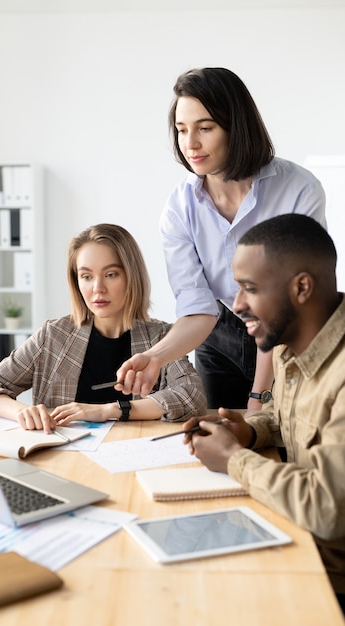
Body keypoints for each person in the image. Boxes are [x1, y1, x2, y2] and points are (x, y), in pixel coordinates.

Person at [116, 67, 326, 413]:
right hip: (220, 331)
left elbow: (286, 304)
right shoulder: (179, 207)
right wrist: (155, 358)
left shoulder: (298, 190)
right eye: (182, 130)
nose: (190, 144)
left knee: (283, 442)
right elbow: (198, 308)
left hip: (290, 332)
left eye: (205, 128)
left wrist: (261, 394)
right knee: (221, 441)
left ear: (236, 127)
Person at [182, 214, 345, 611]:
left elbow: (327, 508)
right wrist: (249, 432)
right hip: (295, 540)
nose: (237, 306)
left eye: (250, 289)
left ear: (302, 287)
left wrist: (233, 460)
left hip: (328, 583)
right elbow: (285, 418)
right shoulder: (294, 341)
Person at [0, 223, 207, 433]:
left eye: (111, 274)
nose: (97, 288)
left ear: (132, 277)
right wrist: (22, 412)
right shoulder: (54, 335)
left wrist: (108, 411)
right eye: (86, 276)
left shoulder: (161, 337)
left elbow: (191, 396)